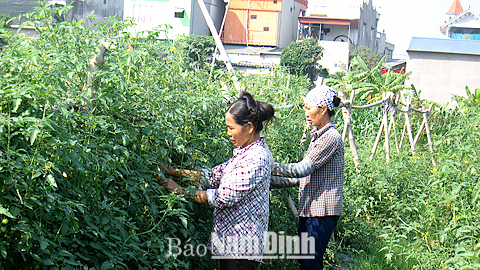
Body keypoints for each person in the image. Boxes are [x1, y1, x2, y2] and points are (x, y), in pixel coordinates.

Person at [160, 91, 275, 270]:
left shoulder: (257, 158)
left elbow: (223, 197)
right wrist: (172, 171)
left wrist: (179, 191)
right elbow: (212, 176)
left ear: (249, 127)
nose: (228, 133)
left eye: (231, 128)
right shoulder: (245, 152)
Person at [270, 85, 344, 270]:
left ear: (323, 109)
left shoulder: (330, 137)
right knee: (304, 262)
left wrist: (268, 167)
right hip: (311, 209)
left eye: (309, 108)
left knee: (311, 263)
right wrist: (269, 181)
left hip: (322, 211)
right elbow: (303, 179)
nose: (306, 113)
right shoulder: (318, 136)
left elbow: (302, 170)